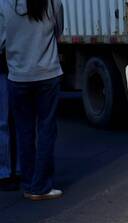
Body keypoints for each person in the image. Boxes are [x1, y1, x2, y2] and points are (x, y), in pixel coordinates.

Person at [0, 0, 64, 200]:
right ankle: (42, 185)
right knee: (46, 131)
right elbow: (59, 30)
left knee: (24, 132)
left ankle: (28, 184)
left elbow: (1, 42)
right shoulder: (52, 2)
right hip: (48, 74)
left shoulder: (4, 5)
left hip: (18, 77)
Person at [0, 48, 19, 191]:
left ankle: (11, 170)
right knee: (5, 123)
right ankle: (5, 172)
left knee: (11, 123)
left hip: (13, 67)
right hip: (7, 67)